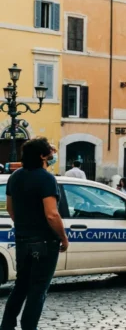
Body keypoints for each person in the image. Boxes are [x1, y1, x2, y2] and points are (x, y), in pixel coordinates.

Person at [0, 138, 69, 330]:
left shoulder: (15, 177)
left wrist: (24, 224)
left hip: (22, 239)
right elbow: (51, 214)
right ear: (42, 156)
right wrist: (63, 237)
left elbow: (10, 209)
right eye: (49, 153)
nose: (52, 155)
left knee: (21, 286)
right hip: (45, 241)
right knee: (38, 290)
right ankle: (29, 327)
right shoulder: (46, 178)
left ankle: (7, 325)